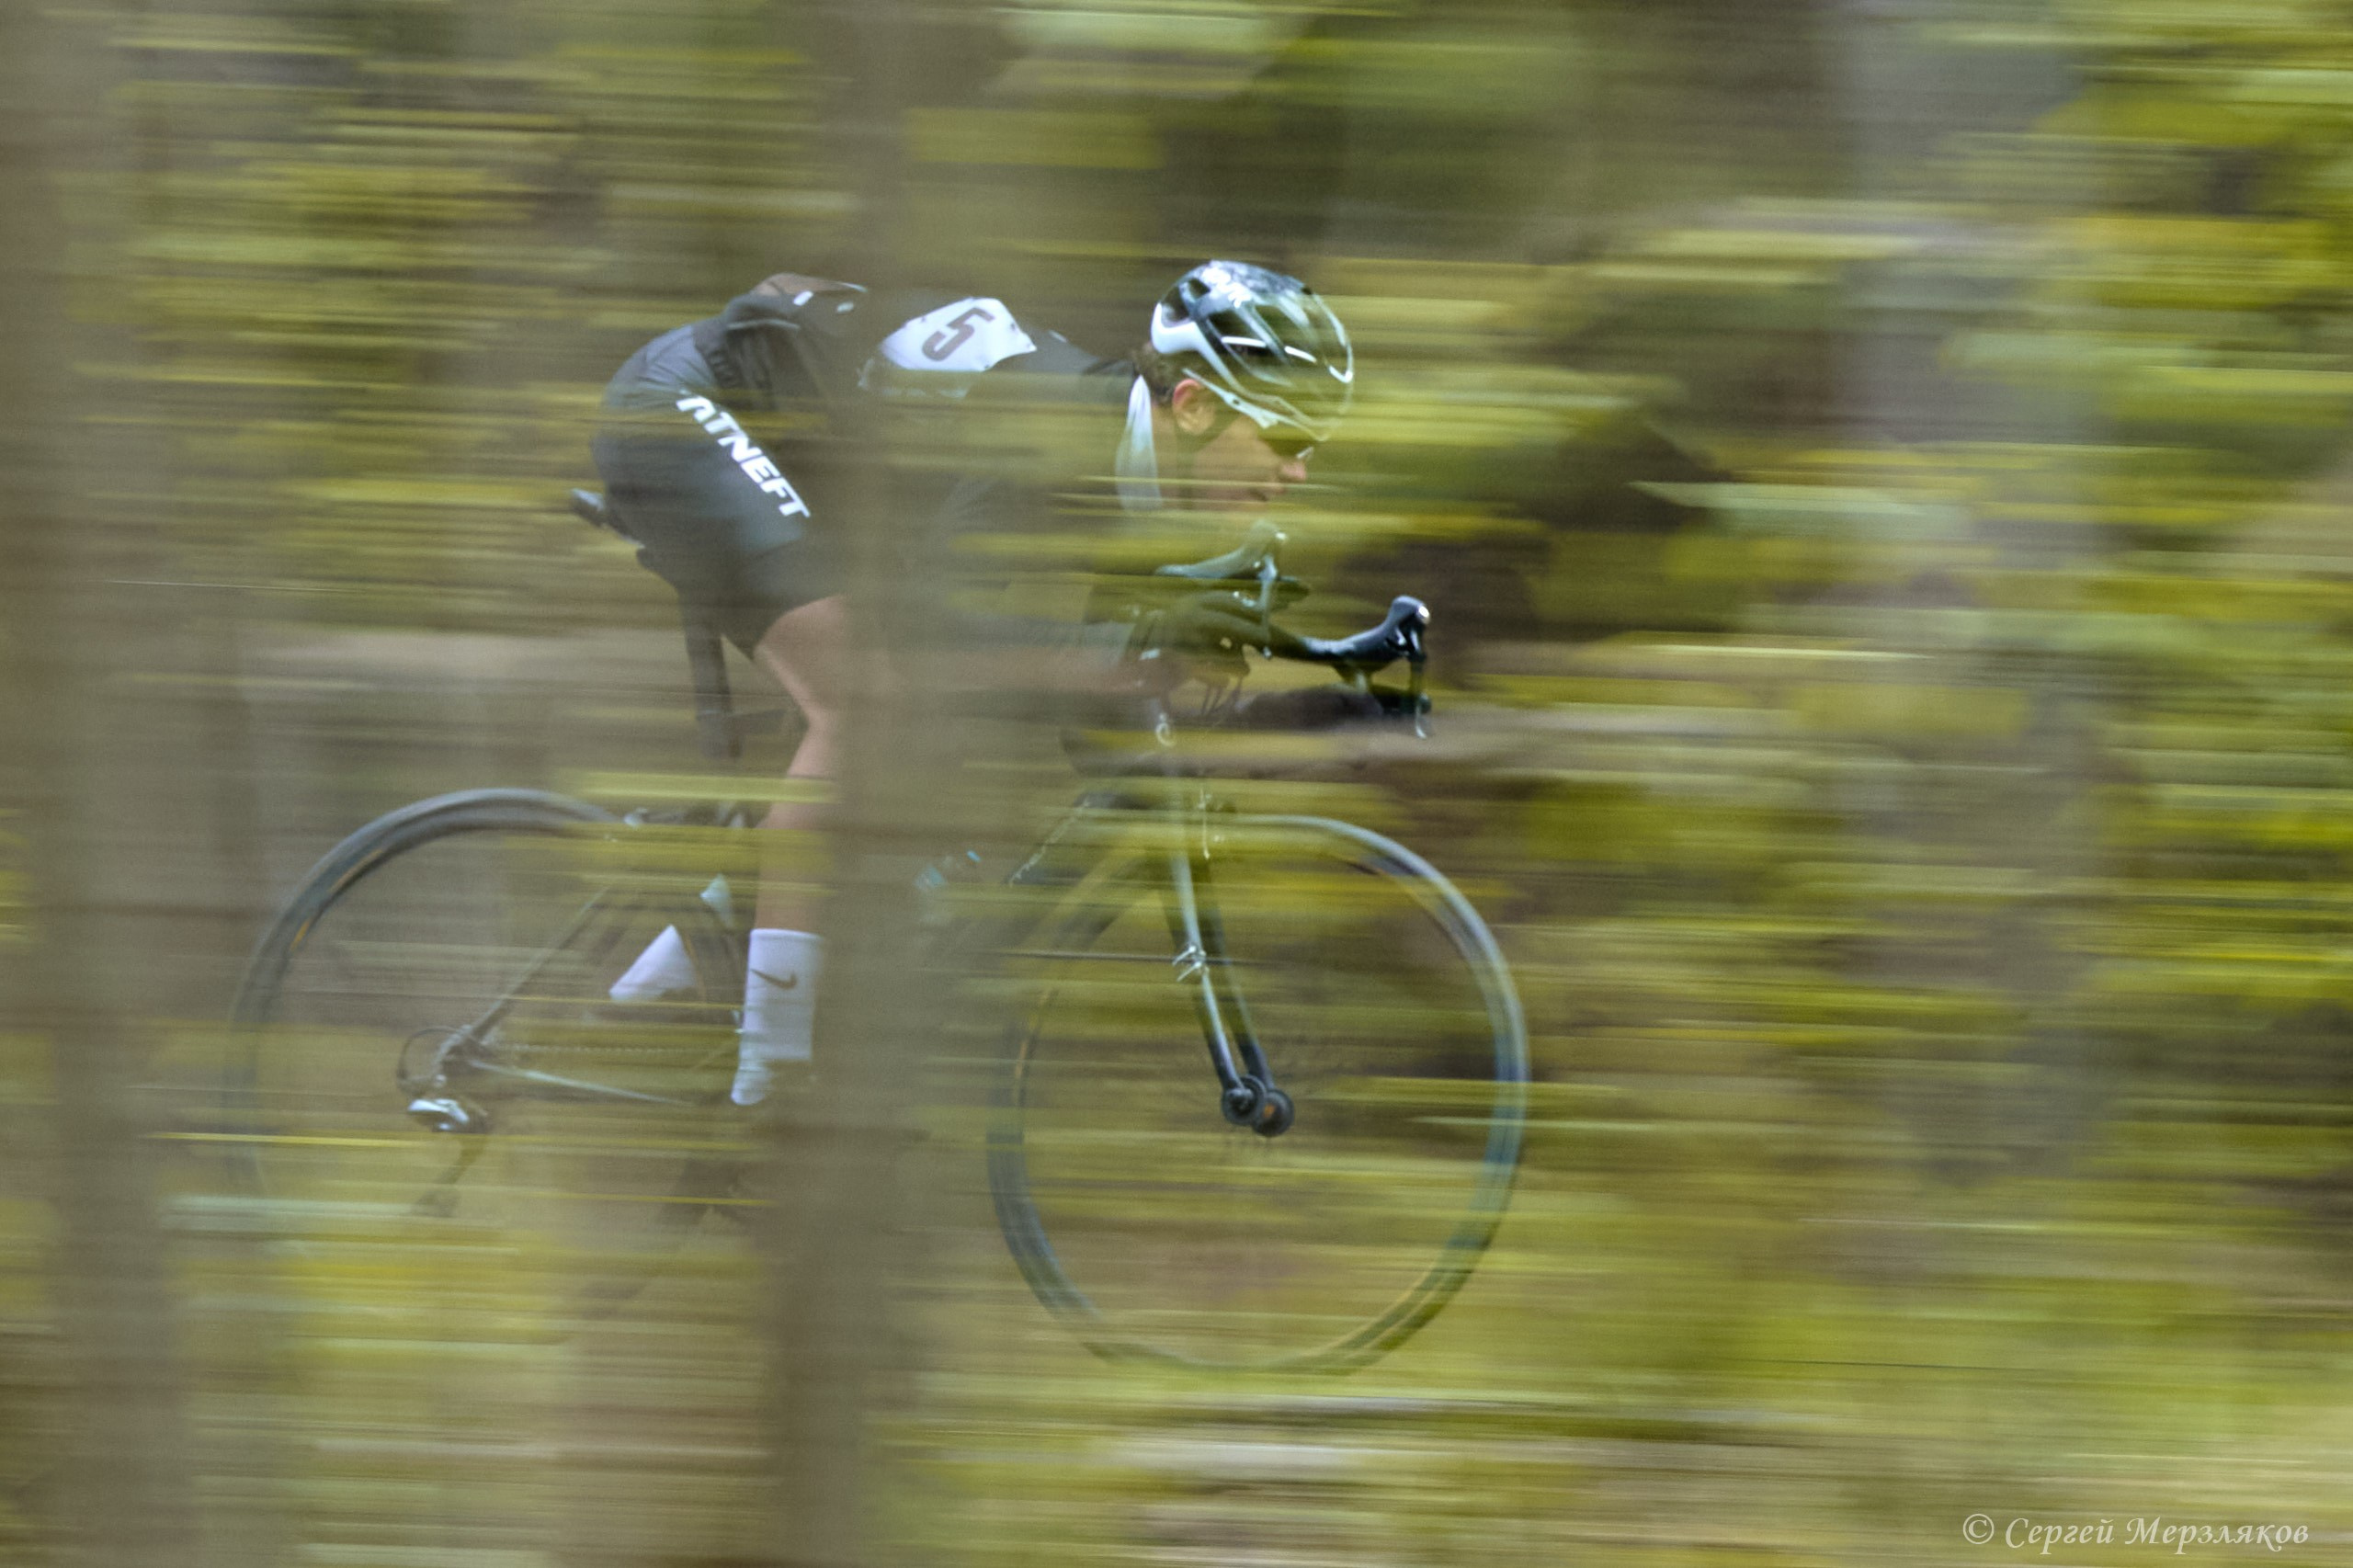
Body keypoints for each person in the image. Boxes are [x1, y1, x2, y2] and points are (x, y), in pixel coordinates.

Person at [591, 260, 1356, 1103]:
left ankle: (654, 992)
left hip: (809, 447)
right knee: (862, 697)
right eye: (1286, 440)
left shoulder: (1146, 483)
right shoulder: (1051, 429)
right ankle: (772, 1075)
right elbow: (932, 634)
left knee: (921, 725)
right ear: (1195, 407)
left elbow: (1101, 716)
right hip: (691, 407)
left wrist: (1317, 704)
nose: (1298, 474)